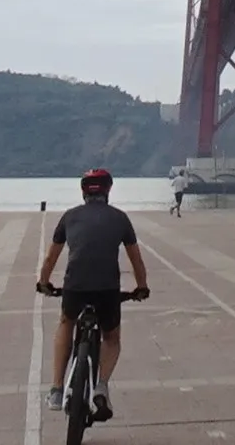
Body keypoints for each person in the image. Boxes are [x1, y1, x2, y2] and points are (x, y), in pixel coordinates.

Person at [34, 168, 149, 421]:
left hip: (75, 286)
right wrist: (141, 288)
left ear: (83, 191)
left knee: (66, 322)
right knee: (111, 338)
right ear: (108, 190)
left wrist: (43, 283)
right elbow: (136, 260)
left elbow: (51, 258)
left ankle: (56, 388)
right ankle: (102, 386)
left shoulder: (69, 216)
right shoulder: (120, 218)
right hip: (107, 289)